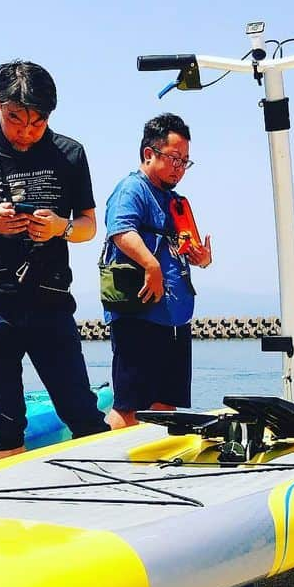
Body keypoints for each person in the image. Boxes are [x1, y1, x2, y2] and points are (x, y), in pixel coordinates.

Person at [0, 60, 108, 459]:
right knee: (5, 420)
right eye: (17, 119)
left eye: (38, 122)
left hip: (49, 299)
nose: (27, 131)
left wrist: (60, 228)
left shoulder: (70, 153)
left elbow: (88, 226)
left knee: (81, 411)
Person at [101, 114, 212, 430]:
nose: (180, 167)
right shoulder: (130, 190)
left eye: (185, 161)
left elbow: (186, 251)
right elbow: (120, 230)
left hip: (174, 317)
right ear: (149, 153)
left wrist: (202, 259)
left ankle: (155, 465)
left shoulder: (175, 201)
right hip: (139, 315)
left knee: (166, 405)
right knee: (129, 407)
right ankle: (110, 463)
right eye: (175, 158)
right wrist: (151, 265)